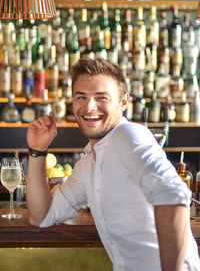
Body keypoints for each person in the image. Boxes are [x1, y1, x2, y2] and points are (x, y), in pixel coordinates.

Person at [26, 58, 200, 271]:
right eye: (81, 97)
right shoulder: (90, 161)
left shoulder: (128, 135)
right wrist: (37, 150)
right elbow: (41, 216)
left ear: (123, 102)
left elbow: (173, 196)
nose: (90, 107)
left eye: (102, 98)